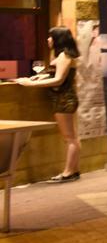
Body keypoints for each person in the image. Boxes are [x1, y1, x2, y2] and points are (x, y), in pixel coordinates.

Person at [16, 26, 81, 182]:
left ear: (58, 38)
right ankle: (73, 170)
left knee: (70, 138)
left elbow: (59, 79)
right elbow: (52, 75)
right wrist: (36, 78)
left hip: (64, 99)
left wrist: (29, 84)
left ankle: (69, 172)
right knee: (71, 137)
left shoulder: (65, 56)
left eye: (51, 36)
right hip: (62, 98)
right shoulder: (61, 55)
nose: (48, 39)